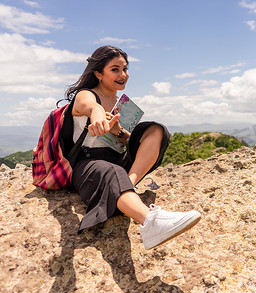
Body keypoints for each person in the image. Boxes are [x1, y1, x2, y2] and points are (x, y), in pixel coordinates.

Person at [65, 45, 200, 250]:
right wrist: (99, 119)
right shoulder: (86, 95)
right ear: (98, 73)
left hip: (117, 160)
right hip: (89, 163)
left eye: (125, 69)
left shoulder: (122, 104)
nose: (123, 75)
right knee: (112, 171)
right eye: (115, 69)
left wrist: (117, 131)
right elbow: (93, 107)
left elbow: (125, 142)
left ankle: (128, 185)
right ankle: (150, 223)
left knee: (156, 130)